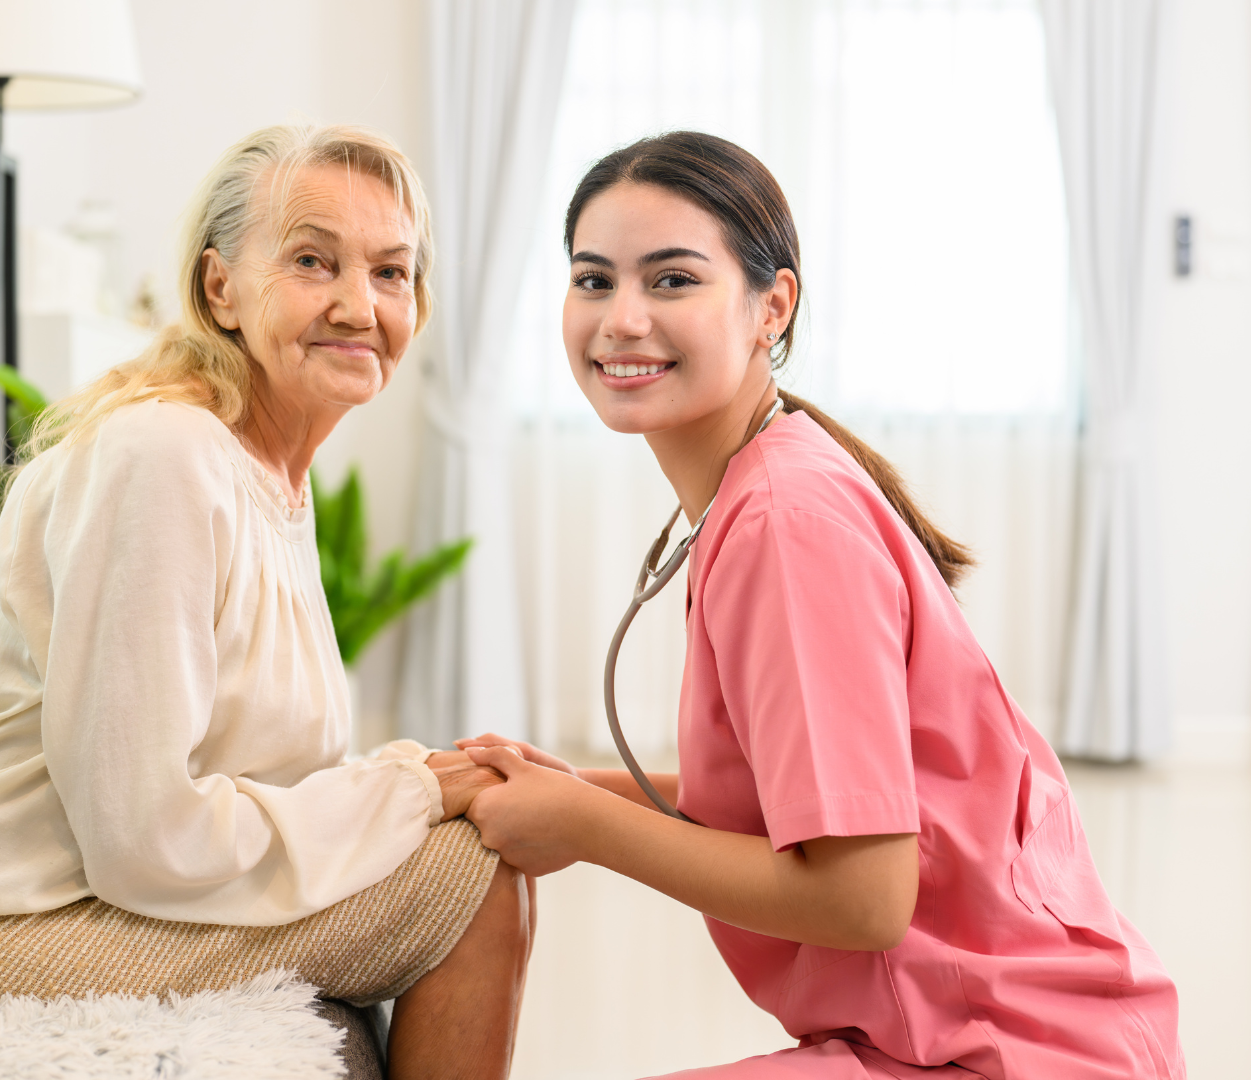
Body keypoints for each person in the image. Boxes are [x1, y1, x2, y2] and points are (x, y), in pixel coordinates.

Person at [458, 132, 1184, 1079]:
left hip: (1014, 1053)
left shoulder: (784, 522)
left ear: (773, 306)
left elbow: (861, 897)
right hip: (974, 1033)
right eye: (593, 280)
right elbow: (797, 807)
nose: (621, 318)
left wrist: (586, 829)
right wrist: (568, 789)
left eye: (672, 281)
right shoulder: (762, 488)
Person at [0, 124, 530, 1080]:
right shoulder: (165, 457)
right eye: (312, 260)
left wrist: (409, 773)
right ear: (221, 287)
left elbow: (252, 764)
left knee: (464, 840)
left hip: (91, 896)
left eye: (392, 271)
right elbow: (143, 835)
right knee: (473, 879)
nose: (359, 303)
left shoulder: (266, 472)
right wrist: (409, 792)